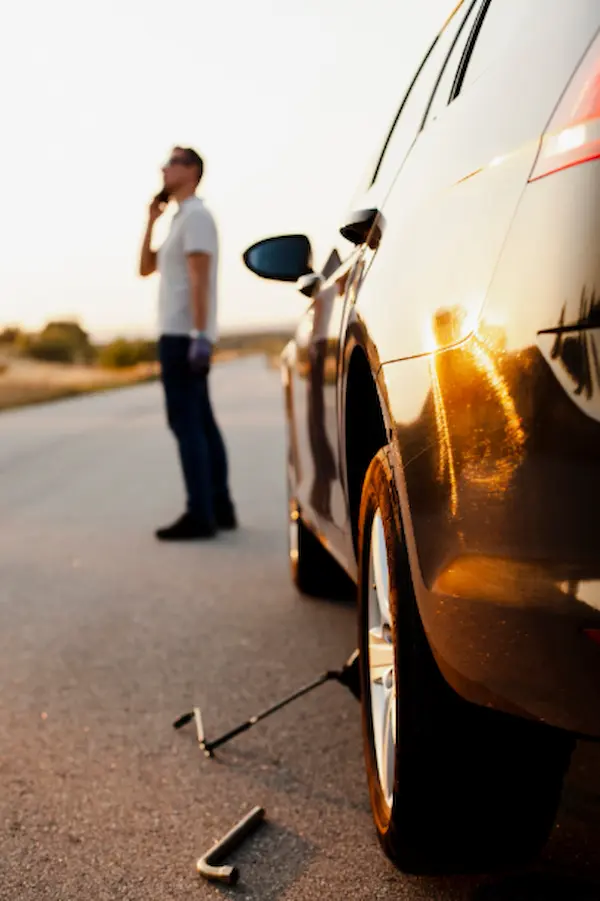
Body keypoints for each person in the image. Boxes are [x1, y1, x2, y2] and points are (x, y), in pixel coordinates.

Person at [139, 146, 236, 541]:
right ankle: (220, 508)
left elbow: (200, 279)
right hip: (181, 334)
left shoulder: (196, 217)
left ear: (192, 171)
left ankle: (201, 514)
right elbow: (145, 268)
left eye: (173, 162)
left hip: (183, 335)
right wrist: (150, 222)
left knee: (187, 424)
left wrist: (199, 336)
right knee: (203, 423)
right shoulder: (179, 219)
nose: (163, 167)